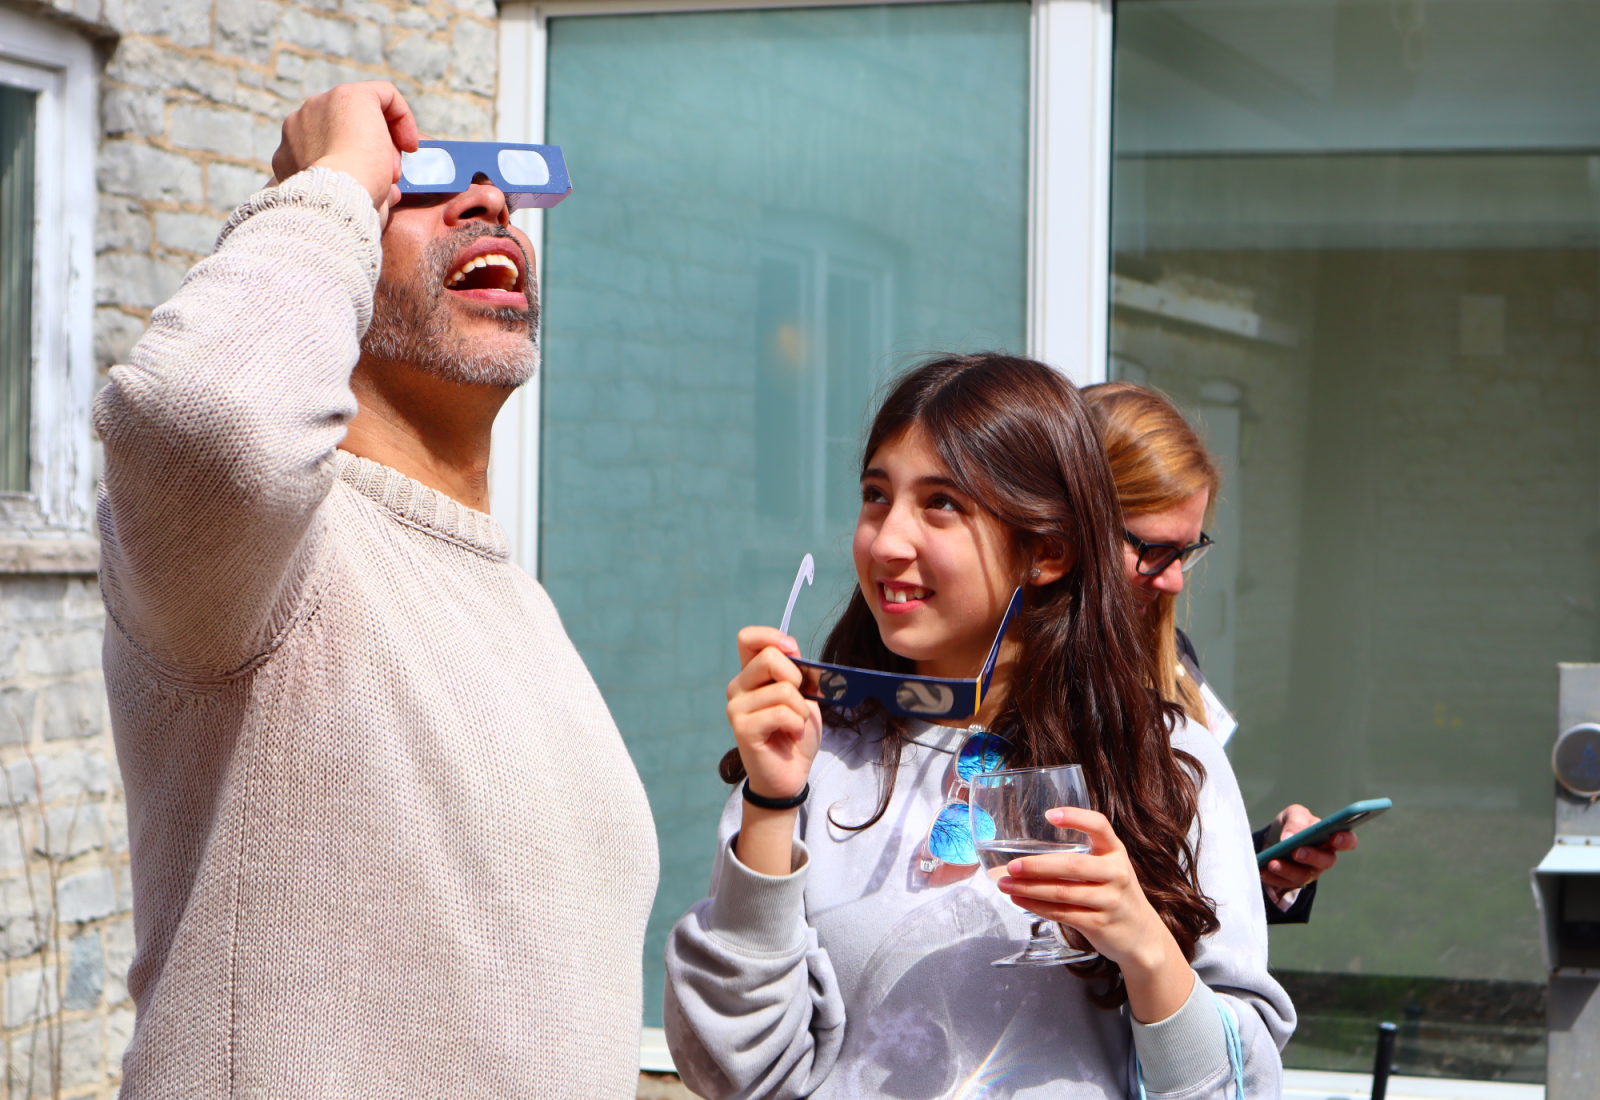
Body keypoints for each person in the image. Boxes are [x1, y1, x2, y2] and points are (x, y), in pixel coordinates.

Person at [95, 82, 657, 1097]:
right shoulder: (270, 560)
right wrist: (333, 181)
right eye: (421, 183)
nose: (487, 200)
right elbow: (210, 419)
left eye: (501, 186)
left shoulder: (516, 602)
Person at [664, 355, 1292, 1099]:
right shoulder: (814, 750)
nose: (886, 541)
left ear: (1047, 551)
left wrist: (1145, 948)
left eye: (941, 503)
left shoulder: (1168, 759)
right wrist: (770, 805)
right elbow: (732, 1073)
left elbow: (1237, 1088)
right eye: (875, 495)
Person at [1084, 380, 1357, 925]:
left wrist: (1262, 866)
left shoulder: (1169, 656)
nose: (1174, 581)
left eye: (1186, 552)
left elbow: (1174, 871)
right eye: (1154, 550)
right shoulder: (994, 680)